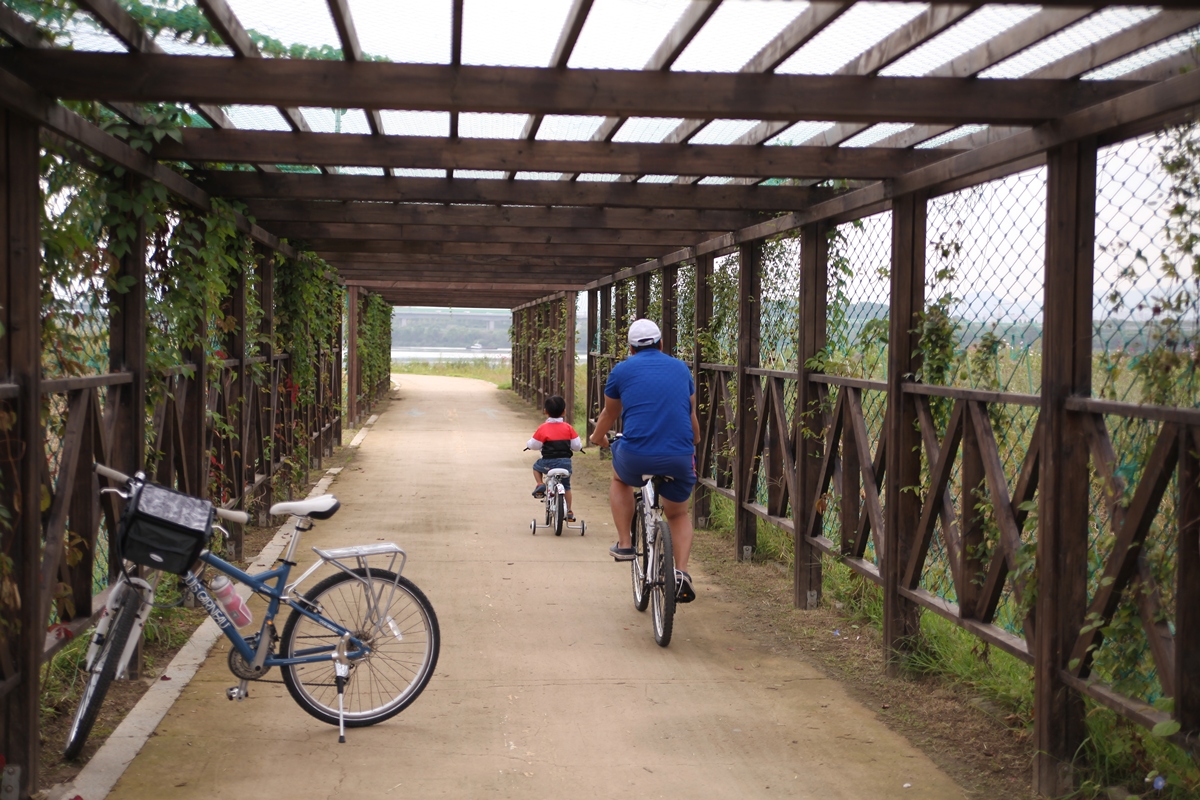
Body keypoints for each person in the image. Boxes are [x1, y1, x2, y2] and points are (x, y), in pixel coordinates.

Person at [588, 318, 701, 603]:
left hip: (637, 455)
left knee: (619, 478)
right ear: (661, 344)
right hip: (678, 455)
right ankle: (682, 573)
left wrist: (597, 437)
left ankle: (625, 544)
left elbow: (610, 413)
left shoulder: (621, 370)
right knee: (678, 514)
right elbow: (690, 414)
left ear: (630, 349)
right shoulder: (680, 368)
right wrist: (694, 442)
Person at [527, 395, 583, 521]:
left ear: (545, 411)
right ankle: (569, 511)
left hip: (547, 463)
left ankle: (540, 484)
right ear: (564, 411)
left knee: (536, 467)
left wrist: (528, 445)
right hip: (565, 464)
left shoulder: (543, 428)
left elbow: (534, 445)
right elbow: (576, 446)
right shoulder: (568, 428)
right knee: (566, 486)